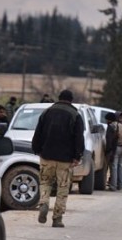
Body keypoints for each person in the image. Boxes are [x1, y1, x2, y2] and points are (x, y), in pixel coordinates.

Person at [32, 90, 84, 228]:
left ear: (59, 98)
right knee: (63, 187)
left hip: (46, 156)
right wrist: (77, 156)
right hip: (65, 159)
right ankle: (57, 218)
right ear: (71, 100)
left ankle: (44, 203)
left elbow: (38, 133)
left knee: (45, 182)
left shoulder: (47, 112)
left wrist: (37, 149)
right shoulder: (75, 115)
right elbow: (79, 137)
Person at [113, 111, 122, 190]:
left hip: (117, 147)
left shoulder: (115, 125)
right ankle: (120, 184)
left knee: (114, 166)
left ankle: (113, 185)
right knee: (120, 166)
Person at [105, 112, 119, 191]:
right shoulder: (117, 126)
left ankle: (112, 185)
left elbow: (109, 140)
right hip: (116, 148)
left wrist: (107, 150)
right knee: (115, 167)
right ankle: (115, 184)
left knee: (111, 168)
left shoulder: (110, 127)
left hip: (111, 150)